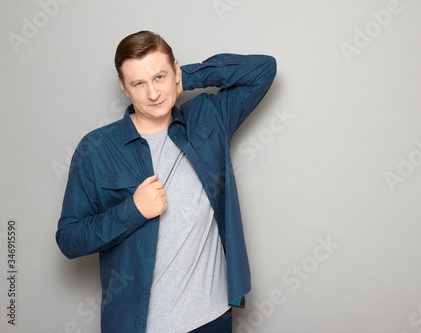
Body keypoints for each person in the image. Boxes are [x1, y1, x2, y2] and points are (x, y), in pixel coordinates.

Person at [56, 30, 276, 332]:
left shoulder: (209, 119)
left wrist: (188, 78)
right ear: (124, 87)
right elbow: (69, 239)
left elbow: (263, 69)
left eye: (159, 77)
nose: (153, 94)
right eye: (138, 83)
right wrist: (132, 210)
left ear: (175, 69)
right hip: (140, 325)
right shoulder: (95, 149)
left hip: (212, 319)